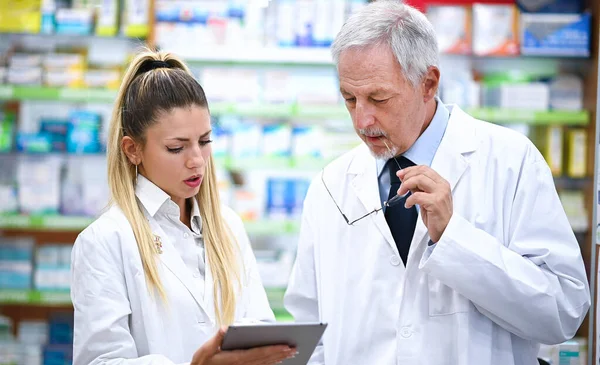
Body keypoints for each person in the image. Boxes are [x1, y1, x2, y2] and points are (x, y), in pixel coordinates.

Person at [283, 2, 591, 365]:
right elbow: (310, 330)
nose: (362, 120)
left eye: (378, 98)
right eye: (349, 99)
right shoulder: (331, 185)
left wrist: (454, 238)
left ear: (428, 83)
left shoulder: (510, 161)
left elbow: (563, 312)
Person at [70, 50, 297, 365]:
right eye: (176, 148)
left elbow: (260, 332)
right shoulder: (105, 240)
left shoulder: (227, 226)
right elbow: (99, 362)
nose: (196, 160)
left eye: (204, 142)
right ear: (132, 149)